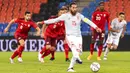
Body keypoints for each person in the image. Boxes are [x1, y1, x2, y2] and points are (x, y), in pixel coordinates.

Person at [39, 2, 101, 72]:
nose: (75, 9)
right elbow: (54, 20)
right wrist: (43, 22)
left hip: (78, 36)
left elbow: (88, 21)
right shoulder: (65, 16)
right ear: (70, 8)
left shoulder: (79, 15)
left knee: (79, 52)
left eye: (76, 7)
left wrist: (96, 27)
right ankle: (77, 58)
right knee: (74, 50)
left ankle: (70, 68)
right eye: (73, 8)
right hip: (69, 36)